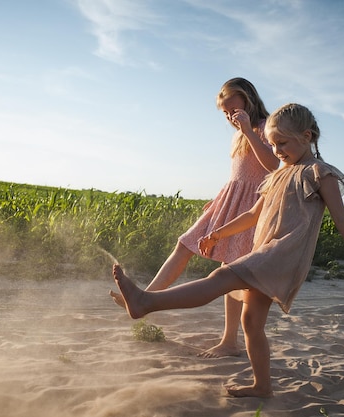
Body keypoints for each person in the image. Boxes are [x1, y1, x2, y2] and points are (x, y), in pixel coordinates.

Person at [112, 103, 344, 398]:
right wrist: (217, 232)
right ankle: (262, 386)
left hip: (284, 254)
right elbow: (253, 214)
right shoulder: (278, 174)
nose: (277, 150)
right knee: (251, 322)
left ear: (306, 136)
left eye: (282, 143)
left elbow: (342, 219)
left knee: (222, 276)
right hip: (267, 251)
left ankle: (145, 302)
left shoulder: (319, 173)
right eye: (273, 143)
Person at [110, 77, 279, 358]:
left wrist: (248, 130)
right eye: (225, 114)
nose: (230, 118)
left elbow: (273, 166)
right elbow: (240, 175)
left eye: (233, 111)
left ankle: (229, 341)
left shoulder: (265, 128)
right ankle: (144, 297)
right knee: (185, 244)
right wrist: (220, 199)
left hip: (254, 205)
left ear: (248, 101)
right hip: (231, 201)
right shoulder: (240, 133)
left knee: (231, 268)